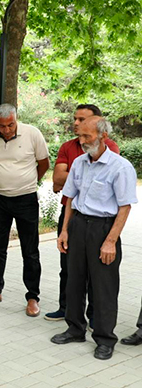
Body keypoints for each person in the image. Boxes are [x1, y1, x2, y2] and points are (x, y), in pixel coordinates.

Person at [51, 116, 137, 360]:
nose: (82, 141)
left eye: (87, 136)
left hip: (103, 229)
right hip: (78, 225)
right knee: (74, 280)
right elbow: (70, 198)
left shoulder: (120, 167)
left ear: (103, 136)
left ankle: (105, 338)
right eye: (80, 136)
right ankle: (75, 329)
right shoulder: (79, 163)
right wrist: (64, 231)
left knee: (103, 287)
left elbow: (124, 207)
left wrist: (110, 241)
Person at [45, 104, 120, 324]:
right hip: (73, 216)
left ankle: (95, 318)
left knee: (98, 272)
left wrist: (73, 179)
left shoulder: (111, 150)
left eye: (83, 121)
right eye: (76, 119)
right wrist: (73, 179)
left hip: (100, 222)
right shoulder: (70, 148)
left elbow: (104, 178)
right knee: (69, 267)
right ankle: (68, 311)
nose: (77, 124)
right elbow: (58, 179)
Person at [0, 103, 49, 317]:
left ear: (16, 119)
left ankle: (32, 297)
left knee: (30, 250)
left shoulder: (32, 134)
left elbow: (43, 163)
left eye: (10, 125)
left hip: (26, 199)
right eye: (2, 126)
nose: (6, 130)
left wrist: (28, 181)